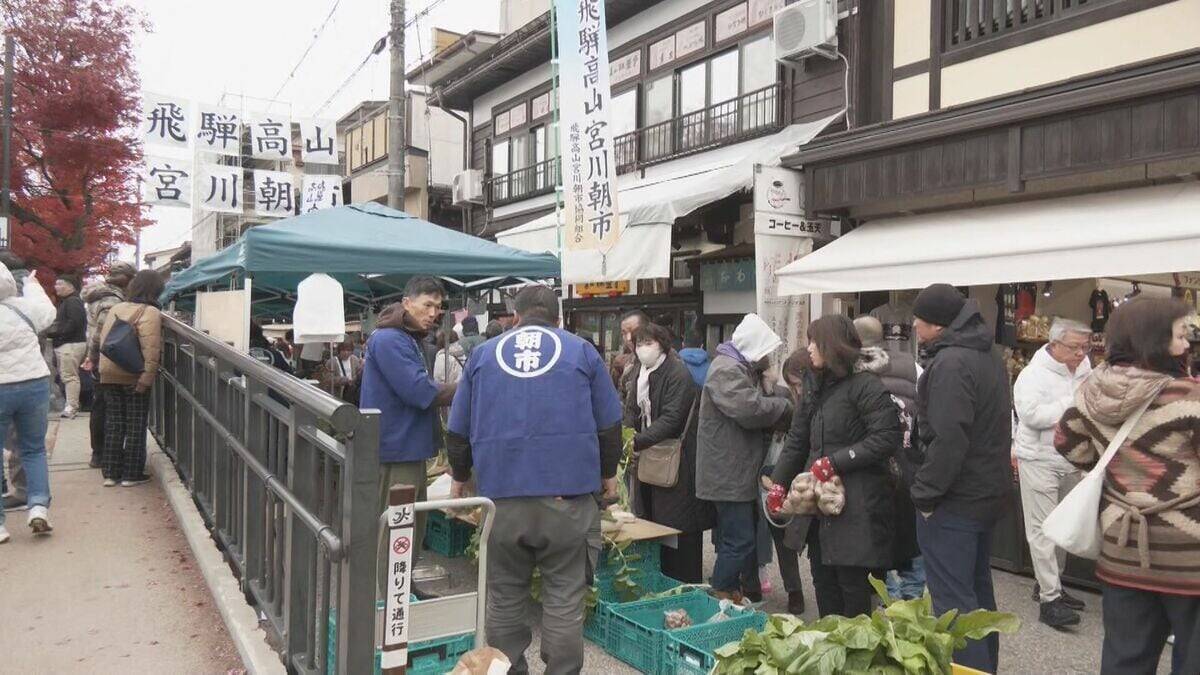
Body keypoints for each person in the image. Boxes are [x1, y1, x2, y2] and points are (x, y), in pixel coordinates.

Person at [446, 285, 623, 675]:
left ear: (515, 315)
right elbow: (610, 425)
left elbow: (457, 430)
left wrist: (460, 476)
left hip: (501, 498)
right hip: (568, 496)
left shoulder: (483, 355)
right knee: (563, 597)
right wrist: (608, 475)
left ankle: (507, 670)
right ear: (558, 317)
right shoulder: (581, 351)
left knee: (505, 595)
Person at [1056, 297, 1200, 673]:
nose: (1187, 344)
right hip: (1190, 556)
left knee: (1125, 659)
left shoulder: (1091, 391)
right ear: (1154, 338)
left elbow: (1067, 443)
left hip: (1122, 550)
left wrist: (1124, 475)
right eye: (1180, 335)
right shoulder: (1189, 397)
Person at [769, 315, 902, 619]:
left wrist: (835, 462)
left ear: (831, 345)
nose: (809, 348)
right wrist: (779, 483)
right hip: (820, 512)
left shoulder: (866, 385)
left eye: (814, 341)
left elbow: (886, 437)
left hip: (858, 508)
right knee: (824, 587)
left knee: (854, 596)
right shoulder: (814, 385)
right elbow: (797, 439)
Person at [909, 284, 1011, 673]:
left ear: (938, 323)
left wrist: (925, 494)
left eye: (920, 318)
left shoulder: (951, 363)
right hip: (984, 492)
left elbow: (949, 438)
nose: (915, 325)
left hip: (955, 498)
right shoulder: (987, 354)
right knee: (977, 597)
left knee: (953, 603)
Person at [359, 275, 455, 585]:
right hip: (395, 449)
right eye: (427, 305)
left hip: (406, 448)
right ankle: (388, 601)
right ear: (406, 303)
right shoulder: (389, 340)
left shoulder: (406, 339)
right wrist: (472, 386)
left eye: (437, 308)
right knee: (398, 529)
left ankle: (399, 593)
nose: (432, 313)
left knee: (410, 526)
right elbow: (419, 391)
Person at [696, 313, 793, 603]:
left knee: (734, 537)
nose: (767, 357)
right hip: (727, 471)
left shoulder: (735, 365)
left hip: (733, 469)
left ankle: (730, 589)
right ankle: (722, 590)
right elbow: (749, 410)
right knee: (739, 539)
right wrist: (784, 406)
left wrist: (767, 384)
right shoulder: (726, 369)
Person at [1013, 318, 1093, 629]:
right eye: (1074, 347)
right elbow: (1031, 416)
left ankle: (1052, 584)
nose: (1080, 353)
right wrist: (1073, 404)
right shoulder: (1031, 375)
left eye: (1084, 347)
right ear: (1054, 344)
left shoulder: (1085, 367)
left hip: (1073, 459)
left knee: (1063, 527)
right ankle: (1049, 598)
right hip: (1039, 459)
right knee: (1042, 530)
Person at [622, 323, 715, 583]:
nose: (642, 349)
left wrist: (637, 441)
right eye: (638, 343)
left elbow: (673, 418)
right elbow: (631, 408)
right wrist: (628, 433)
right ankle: (660, 577)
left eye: (647, 343)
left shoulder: (678, 373)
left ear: (662, 344)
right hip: (649, 457)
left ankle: (684, 581)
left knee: (679, 525)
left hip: (677, 459)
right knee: (652, 519)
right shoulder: (639, 372)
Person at [854, 315, 925, 601]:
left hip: (871, 464)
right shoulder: (912, 364)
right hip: (908, 460)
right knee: (910, 539)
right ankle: (914, 603)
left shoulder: (853, 369)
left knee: (878, 540)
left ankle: (887, 599)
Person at [0, 256, 57, 541]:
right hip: (33, 382)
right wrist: (32, 285)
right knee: (33, 449)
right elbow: (49, 315)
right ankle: (37, 508)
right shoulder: (24, 307)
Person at [97, 270, 165, 488]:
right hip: (132, 375)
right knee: (135, 424)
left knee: (114, 423)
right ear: (156, 289)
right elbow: (151, 349)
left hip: (108, 373)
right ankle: (131, 474)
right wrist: (146, 378)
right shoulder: (151, 312)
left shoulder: (117, 308)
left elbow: (101, 339)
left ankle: (110, 472)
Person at [82, 261, 135, 469]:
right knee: (104, 407)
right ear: (126, 280)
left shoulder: (100, 296)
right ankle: (101, 453)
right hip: (104, 358)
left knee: (100, 406)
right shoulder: (112, 300)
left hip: (98, 357)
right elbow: (101, 334)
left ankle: (100, 452)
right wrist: (93, 358)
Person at [46, 274, 87, 418]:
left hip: (70, 344)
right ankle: (71, 404)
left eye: (60, 283)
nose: (56, 287)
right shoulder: (67, 302)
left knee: (70, 376)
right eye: (56, 284)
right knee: (66, 376)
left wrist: (58, 334)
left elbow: (74, 323)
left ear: (71, 286)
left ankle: (71, 406)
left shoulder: (73, 302)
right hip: (67, 343)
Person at [610, 310, 648, 396]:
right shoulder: (626, 365)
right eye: (624, 333)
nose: (629, 338)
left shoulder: (669, 362)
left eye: (634, 331)